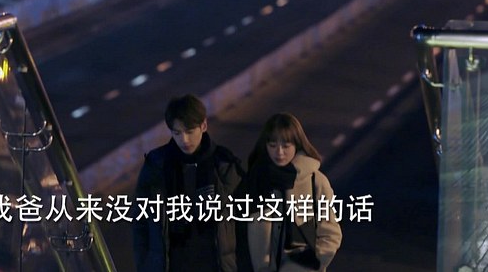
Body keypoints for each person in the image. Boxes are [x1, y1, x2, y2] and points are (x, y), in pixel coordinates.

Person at [133, 94, 244, 272]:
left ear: (203, 126)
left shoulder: (223, 164)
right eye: (177, 133)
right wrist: (146, 265)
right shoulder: (157, 165)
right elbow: (140, 221)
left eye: (190, 131)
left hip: (216, 265)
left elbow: (244, 218)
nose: (184, 140)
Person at [242, 113, 341, 272]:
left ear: (297, 145)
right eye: (272, 145)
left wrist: (316, 261)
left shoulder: (315, 181)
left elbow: (330, 233)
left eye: (286, 146)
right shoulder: (255, 179)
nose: (279, 152)